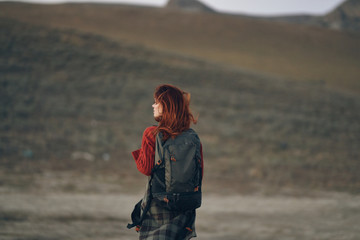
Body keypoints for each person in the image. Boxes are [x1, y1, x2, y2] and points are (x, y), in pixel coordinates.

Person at [131, 84, 204, 240]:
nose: (153, 105)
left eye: (156, 102)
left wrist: (139, 153)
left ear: (166, 106)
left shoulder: (152, 133)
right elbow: (200, 171)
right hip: (186, 207)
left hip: (159, 206)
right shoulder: (192, 137)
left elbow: (145, 168)